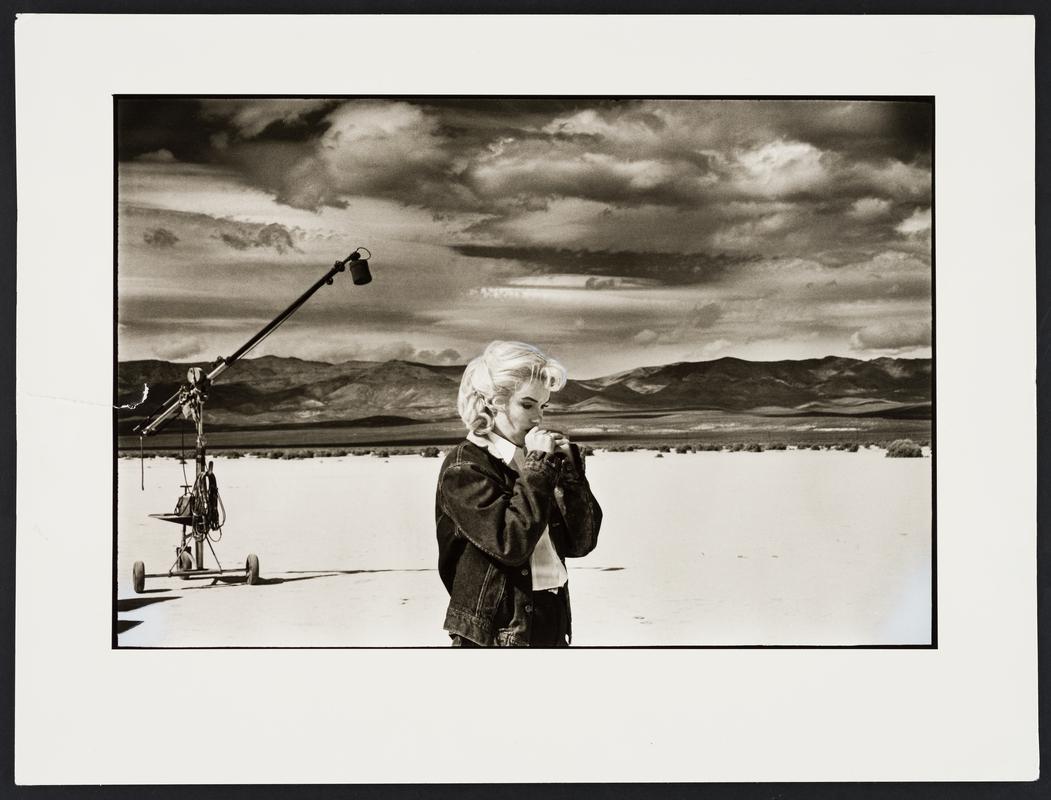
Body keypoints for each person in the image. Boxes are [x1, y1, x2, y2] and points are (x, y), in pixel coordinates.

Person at [435, 340, 602, 647]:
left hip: (550, 619)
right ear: (492, 402)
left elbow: (581, 543)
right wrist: (538, 468)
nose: (539, 418)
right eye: (527, 405)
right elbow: (511, 543)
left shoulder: (534, 461)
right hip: (497, 633)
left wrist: (571, 476)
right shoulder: (465, 467)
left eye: (543, 406)